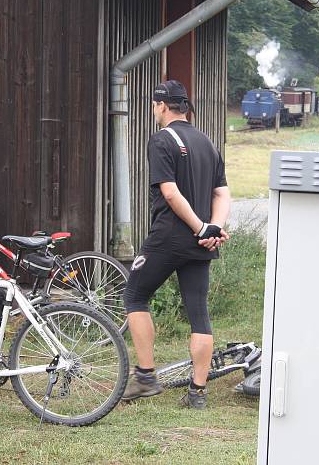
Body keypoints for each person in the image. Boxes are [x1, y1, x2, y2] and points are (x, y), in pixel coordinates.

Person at [122, 80, 231, 409]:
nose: (155, 110)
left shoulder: (161, 140)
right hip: (201, 242)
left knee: (135, 295)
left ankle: (145, 377)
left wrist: (200, 227)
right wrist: (213, 228)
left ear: (162, 106)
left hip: (170, 235)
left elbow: (169, 192)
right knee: (199, 313)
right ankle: (197, 393)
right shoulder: (207, 142)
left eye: (155, 106)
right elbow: (222, 193)